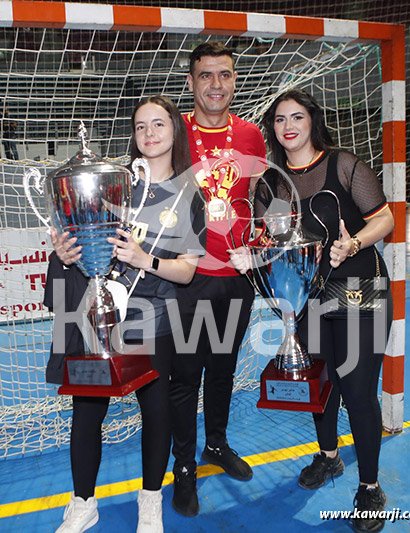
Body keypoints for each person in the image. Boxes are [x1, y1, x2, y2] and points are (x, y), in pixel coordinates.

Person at [229, 89, 394, 533]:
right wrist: (252, 257)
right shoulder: (270, 184)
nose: (288, 125)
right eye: (280, 118)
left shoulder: (344, 164)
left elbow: (385, 219)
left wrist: (355, 241)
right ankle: (329, 458)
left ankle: (370, 486)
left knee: (358, 391)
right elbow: (271, 244)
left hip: (360, 289)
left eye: (297, 116)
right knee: (320, 383)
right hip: (310, 296)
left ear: (311, 121)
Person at [44, 95, 206, 533]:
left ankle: (150, 499)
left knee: (155, 409)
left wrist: (143, 259)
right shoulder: (112, 181)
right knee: (87, 408)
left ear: (175, 130)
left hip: (154, 316)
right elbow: (80, 247)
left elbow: (188, 272)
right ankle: (83, 503)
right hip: (99, 315)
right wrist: (63, 254)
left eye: (158, 125)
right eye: (140, 127)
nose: (149, 134)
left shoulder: (190, 195)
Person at [169, 41, 266, 517]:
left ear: (233, 80)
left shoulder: (251, 136)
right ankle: (183, 469)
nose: (215, 84)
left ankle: (216, 444)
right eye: (205, 75)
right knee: (185, 376)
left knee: (223, 368)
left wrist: (263, 241)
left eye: (224, 75)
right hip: (187, 277)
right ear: (190, 82)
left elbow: (259, 201)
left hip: (235, 277)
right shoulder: (172, 131)